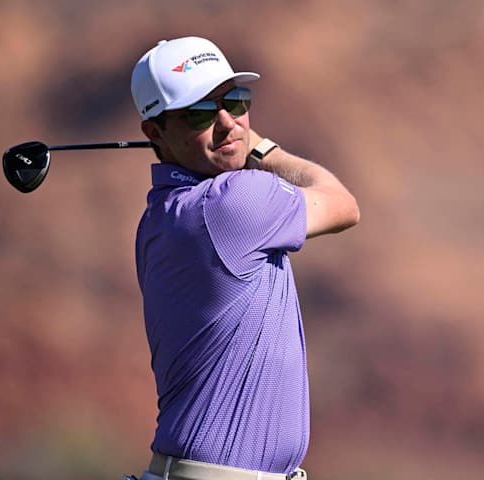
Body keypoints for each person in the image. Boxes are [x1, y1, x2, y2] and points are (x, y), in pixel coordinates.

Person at [128, 36, 359, 480]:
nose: (228, 123)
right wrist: (262, 149)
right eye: (199, 113)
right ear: (155, 132)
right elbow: (343, 205)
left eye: (234, 102)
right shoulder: (233, 202)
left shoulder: (157, 217)